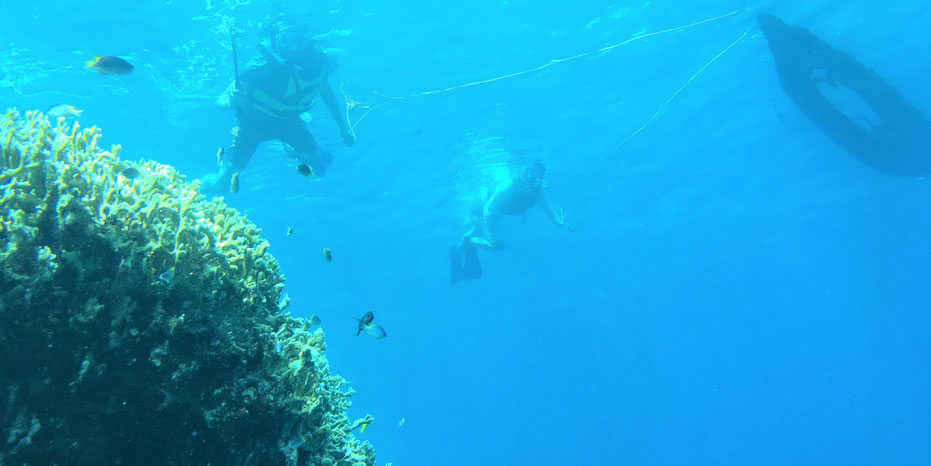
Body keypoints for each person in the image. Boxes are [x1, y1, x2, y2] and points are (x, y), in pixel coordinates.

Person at [201, 24, 355, 193]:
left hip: (290, 123)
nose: (294, 47)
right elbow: (220, 100)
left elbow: (327, 93)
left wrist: (343, 127)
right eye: (286, 41)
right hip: (252, 125)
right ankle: (204, 184)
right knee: (222, 182)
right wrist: (230, 101)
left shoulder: (318, 69)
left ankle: (293, 151)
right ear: (276, 44)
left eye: (298, 39)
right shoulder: (258, 69)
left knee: (316, 160)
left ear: (308, 40)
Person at [449, 159, 574, 284]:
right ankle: (469, 243)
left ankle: (456, 252)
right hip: (480, 208)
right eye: (527, 172)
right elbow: (487, 211)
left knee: (478, 230)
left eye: (536, 176)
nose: (530, 178)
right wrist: (493, 237)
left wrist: (557, 220)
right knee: (497, 245)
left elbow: (545, 205)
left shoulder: (537, 190)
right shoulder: (507, 187)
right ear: (519, 172)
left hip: (494, 212)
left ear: (540, 177)